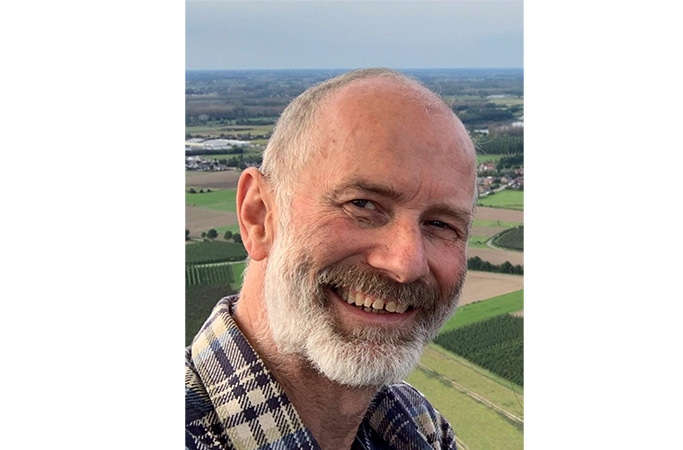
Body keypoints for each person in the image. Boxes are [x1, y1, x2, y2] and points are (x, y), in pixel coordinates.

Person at [185, 68, 477, 450]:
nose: (406, 264)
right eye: (362, 205)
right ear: (258, 216)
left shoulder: (416, 426)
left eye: (440, 224)